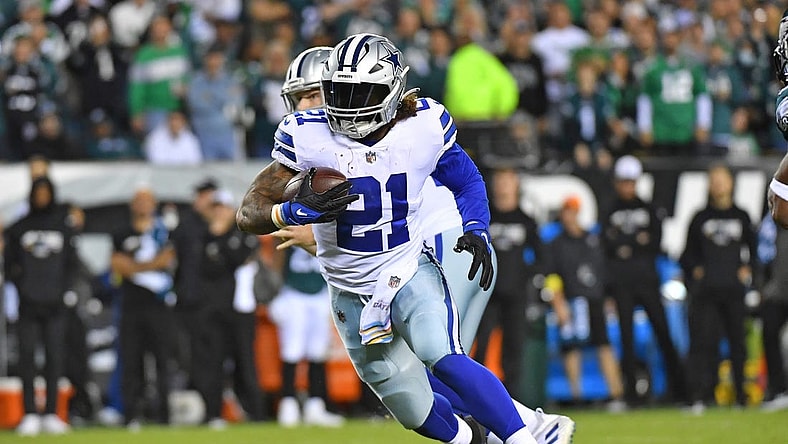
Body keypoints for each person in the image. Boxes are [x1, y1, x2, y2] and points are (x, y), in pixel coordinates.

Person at [236, 33, 553, 444]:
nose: (346, 105)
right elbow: (249, 210)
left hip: (407, 269)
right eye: (337, 92)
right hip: (350, 291)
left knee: (441, 353)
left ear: (389, 90)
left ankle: (524, 437)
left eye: (359, 92)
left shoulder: (422, 124)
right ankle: (472, 439)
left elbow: (466, 177)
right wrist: (290, 211)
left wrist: (475, 225)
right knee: (410, 404)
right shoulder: (307, 135)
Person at [271, 46, 346, 428]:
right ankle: (290, 401)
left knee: (318, 345)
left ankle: (315, 403)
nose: (307, 107)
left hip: (348, 275)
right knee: (294, 345)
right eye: (302, 98)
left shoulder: (358, 155)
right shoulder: (288, 162)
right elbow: (259, 219)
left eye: (316, 95)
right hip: (300, 278)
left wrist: (317, 235)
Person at [602, 155, 687, 407]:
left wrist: (624, 244)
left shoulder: (649, 208)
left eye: (631, 181)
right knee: (626, 339)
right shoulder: (610, 209)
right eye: (623, 181)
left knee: (663, 333)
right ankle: (631, 395)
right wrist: (635, 241)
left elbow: (654, 243)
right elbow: (608, 244)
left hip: (647, 280)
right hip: (622, 283)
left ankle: (680, 390)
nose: (627, 186)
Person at [680, 163, 757, 412]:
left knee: (738, 345)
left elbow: (756, 252)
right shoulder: (700, 217)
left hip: (733, 291)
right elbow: (686, 255)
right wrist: (695, 273)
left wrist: (748, 271)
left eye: (722, 180)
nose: (718, 185)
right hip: (707, 293)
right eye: (713, 180)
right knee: (704, 345)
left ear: (731, 184)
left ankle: (741, 397)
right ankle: (702, 396)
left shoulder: (742, 216)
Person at [4, 177, 76, 436]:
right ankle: (30, 413)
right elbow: (9, 264)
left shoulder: (63, 227)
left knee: (55, 359)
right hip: (28, 304)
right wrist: (24, 286)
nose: (43, 197)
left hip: (56, 305)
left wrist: (64, 291)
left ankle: (52, 413)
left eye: (47, 192)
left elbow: (72, 263)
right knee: (27, 358)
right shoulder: (19, 228)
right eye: (39, 192)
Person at [543, 195, 625, 409]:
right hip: (571, 300)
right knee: (572, 348)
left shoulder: (593, 239)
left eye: (573, 210)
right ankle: (576, 396)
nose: (569, 215)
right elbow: (551, 275)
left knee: (604, 345)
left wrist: (609, 296)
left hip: (594, 298)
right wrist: (557, 301)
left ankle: (617, 395)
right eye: (566, 211)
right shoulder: (556, 244)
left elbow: (604, 270)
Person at [197, 189, 266, 427]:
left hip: (241, 309)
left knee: (245, 362)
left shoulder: (243, 233)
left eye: (223, 208)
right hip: (214, 309)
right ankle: (213, 413)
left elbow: (238, 258)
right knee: (213, 362)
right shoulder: (202, 236)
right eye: (215, 208)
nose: (219, 213)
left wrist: (219, 239)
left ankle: (256, 412)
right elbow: (202, 268)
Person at [110, 186, 176, 428]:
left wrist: (135, 267)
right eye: (138, 200)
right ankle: (131, 415)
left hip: (158, 305)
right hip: (130, 305)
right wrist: (149, 265)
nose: (142, 205)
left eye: (147, 200)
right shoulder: (121, 233)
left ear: (154, 204)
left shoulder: (163, 231)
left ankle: (164, 415)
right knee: (131, 361)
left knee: (161, 361)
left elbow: (166, 259)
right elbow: (117, 264)